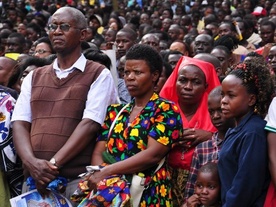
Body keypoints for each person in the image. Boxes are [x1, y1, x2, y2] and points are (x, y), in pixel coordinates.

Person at [11, 7, 118, 206]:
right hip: (35, 180)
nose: (57, 31)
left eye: (65, 26)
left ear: (83, 34)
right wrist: (32, 164)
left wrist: (51, 166)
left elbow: (90, 124)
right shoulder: (34, 76)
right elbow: (19, 123)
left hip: (74, 181)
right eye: (53, 26)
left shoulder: (98, 73)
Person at [87, 44, 183, 206]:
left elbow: (153, 154)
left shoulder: (165, 110)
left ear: (155, 75)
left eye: (137, 72)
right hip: (112, 193)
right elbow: (99, 151)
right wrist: (103, 178)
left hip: (148, 193)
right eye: (126, 72)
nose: (129, 77)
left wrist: (108, 171)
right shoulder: (115, 112)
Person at [160, 56, 221, 206]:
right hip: (163, 179)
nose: (188, 87)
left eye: (196, 82)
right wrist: (170, 138)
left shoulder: (217, 111)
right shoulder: (163, 110)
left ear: (206, 86)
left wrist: (211, 136)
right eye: (182, 80)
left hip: (202, 186)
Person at [218, 59, 274, 206]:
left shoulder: (253, 133)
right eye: (222, 94)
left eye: (231, 95)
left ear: (251, 99)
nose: (223, 101)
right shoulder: (236, 129)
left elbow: (246, 184)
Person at [184, 86, 235, 202]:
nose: (216, 116)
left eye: (220, 110)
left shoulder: (238, 143)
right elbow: (191, 189)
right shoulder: (202, 149)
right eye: (211, 112)